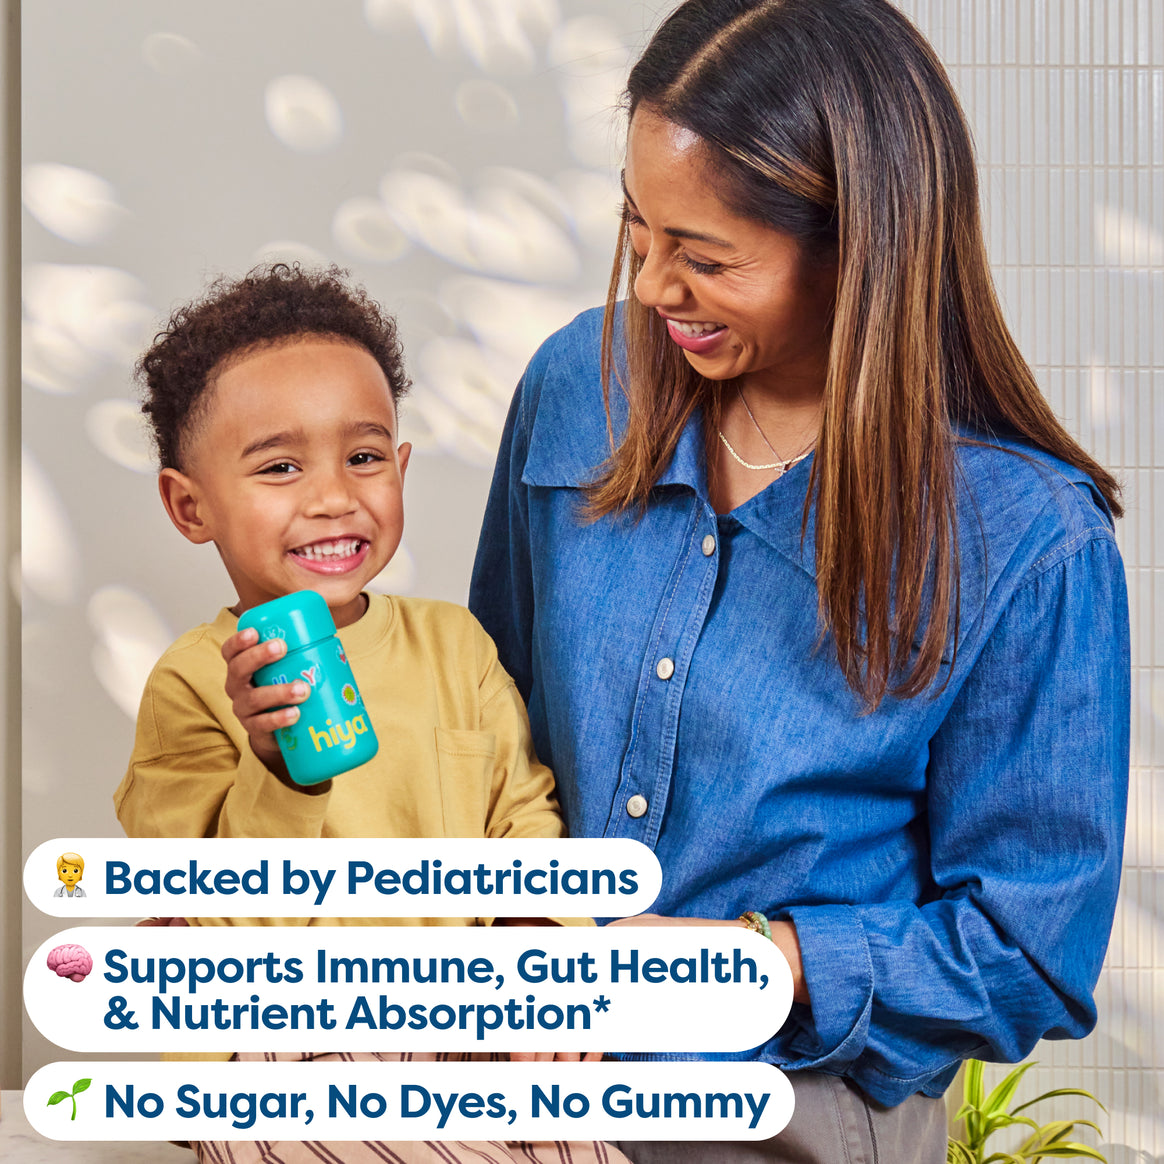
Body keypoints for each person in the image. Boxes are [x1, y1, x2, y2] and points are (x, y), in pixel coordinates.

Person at [469, 1, 1130, 1161]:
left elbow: (1026, 956)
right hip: (534, 1063)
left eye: (708, 257)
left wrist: (752, 963)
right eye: (639, 229)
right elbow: (486, 723)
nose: (656, 284)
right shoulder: (581, 383)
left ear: (857, 244)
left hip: (779, 1104)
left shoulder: (1026, 540)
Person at [113, 263, 620, 1164]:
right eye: (279, 467)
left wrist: (544, 945)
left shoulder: (455, 647)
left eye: (364, 456)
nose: (334, 497)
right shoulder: (193, 685)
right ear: (190, 505)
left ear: (401, 466)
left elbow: (524, 819)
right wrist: (274, 771)